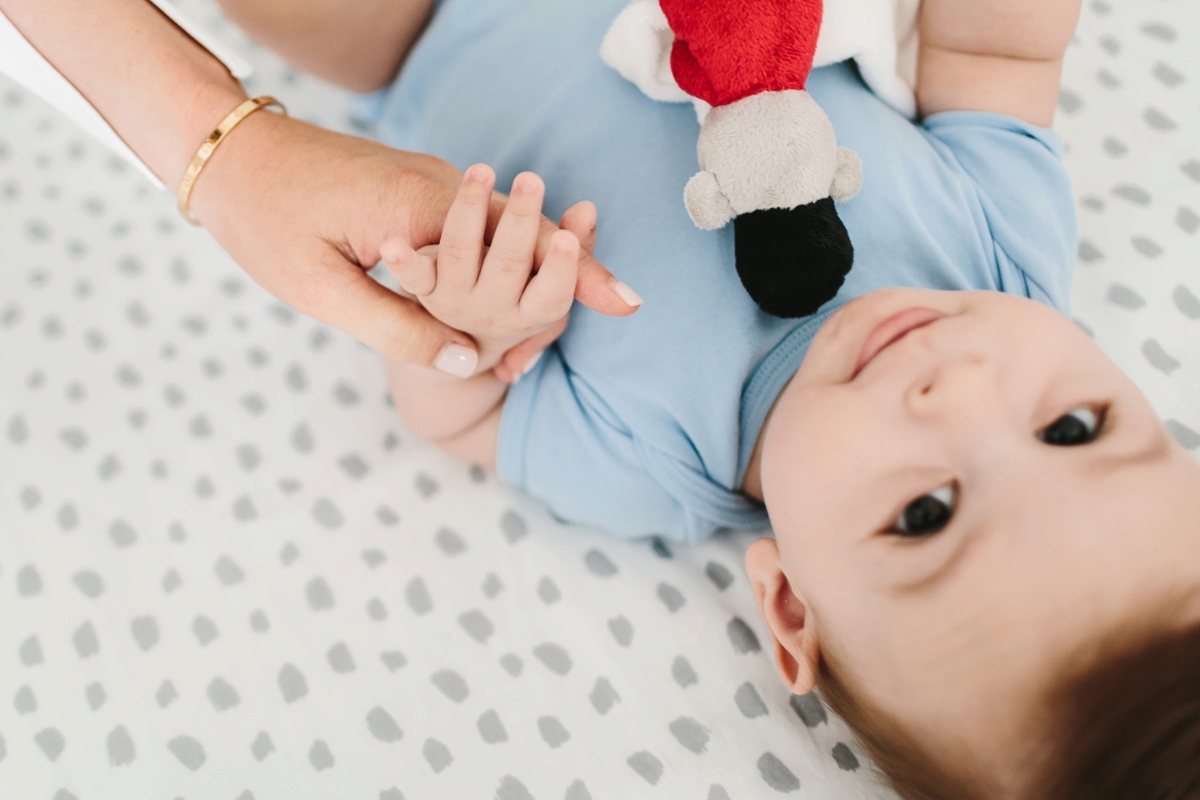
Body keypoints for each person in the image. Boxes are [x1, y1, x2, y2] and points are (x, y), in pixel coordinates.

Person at [359, 0, 1200, 796]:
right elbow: (994, 50)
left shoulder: (651, 460)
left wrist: (469, 320)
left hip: (423, 31)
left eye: (926, 513)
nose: (961, 388)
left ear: (792, 604)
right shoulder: (1009, 254)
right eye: (1072, 428)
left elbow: (458, 416)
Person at [0, 0, 643, 382]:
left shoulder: (674, 470)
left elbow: (458, 410)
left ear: (753, 583)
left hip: (423, 39)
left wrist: (481, 330)